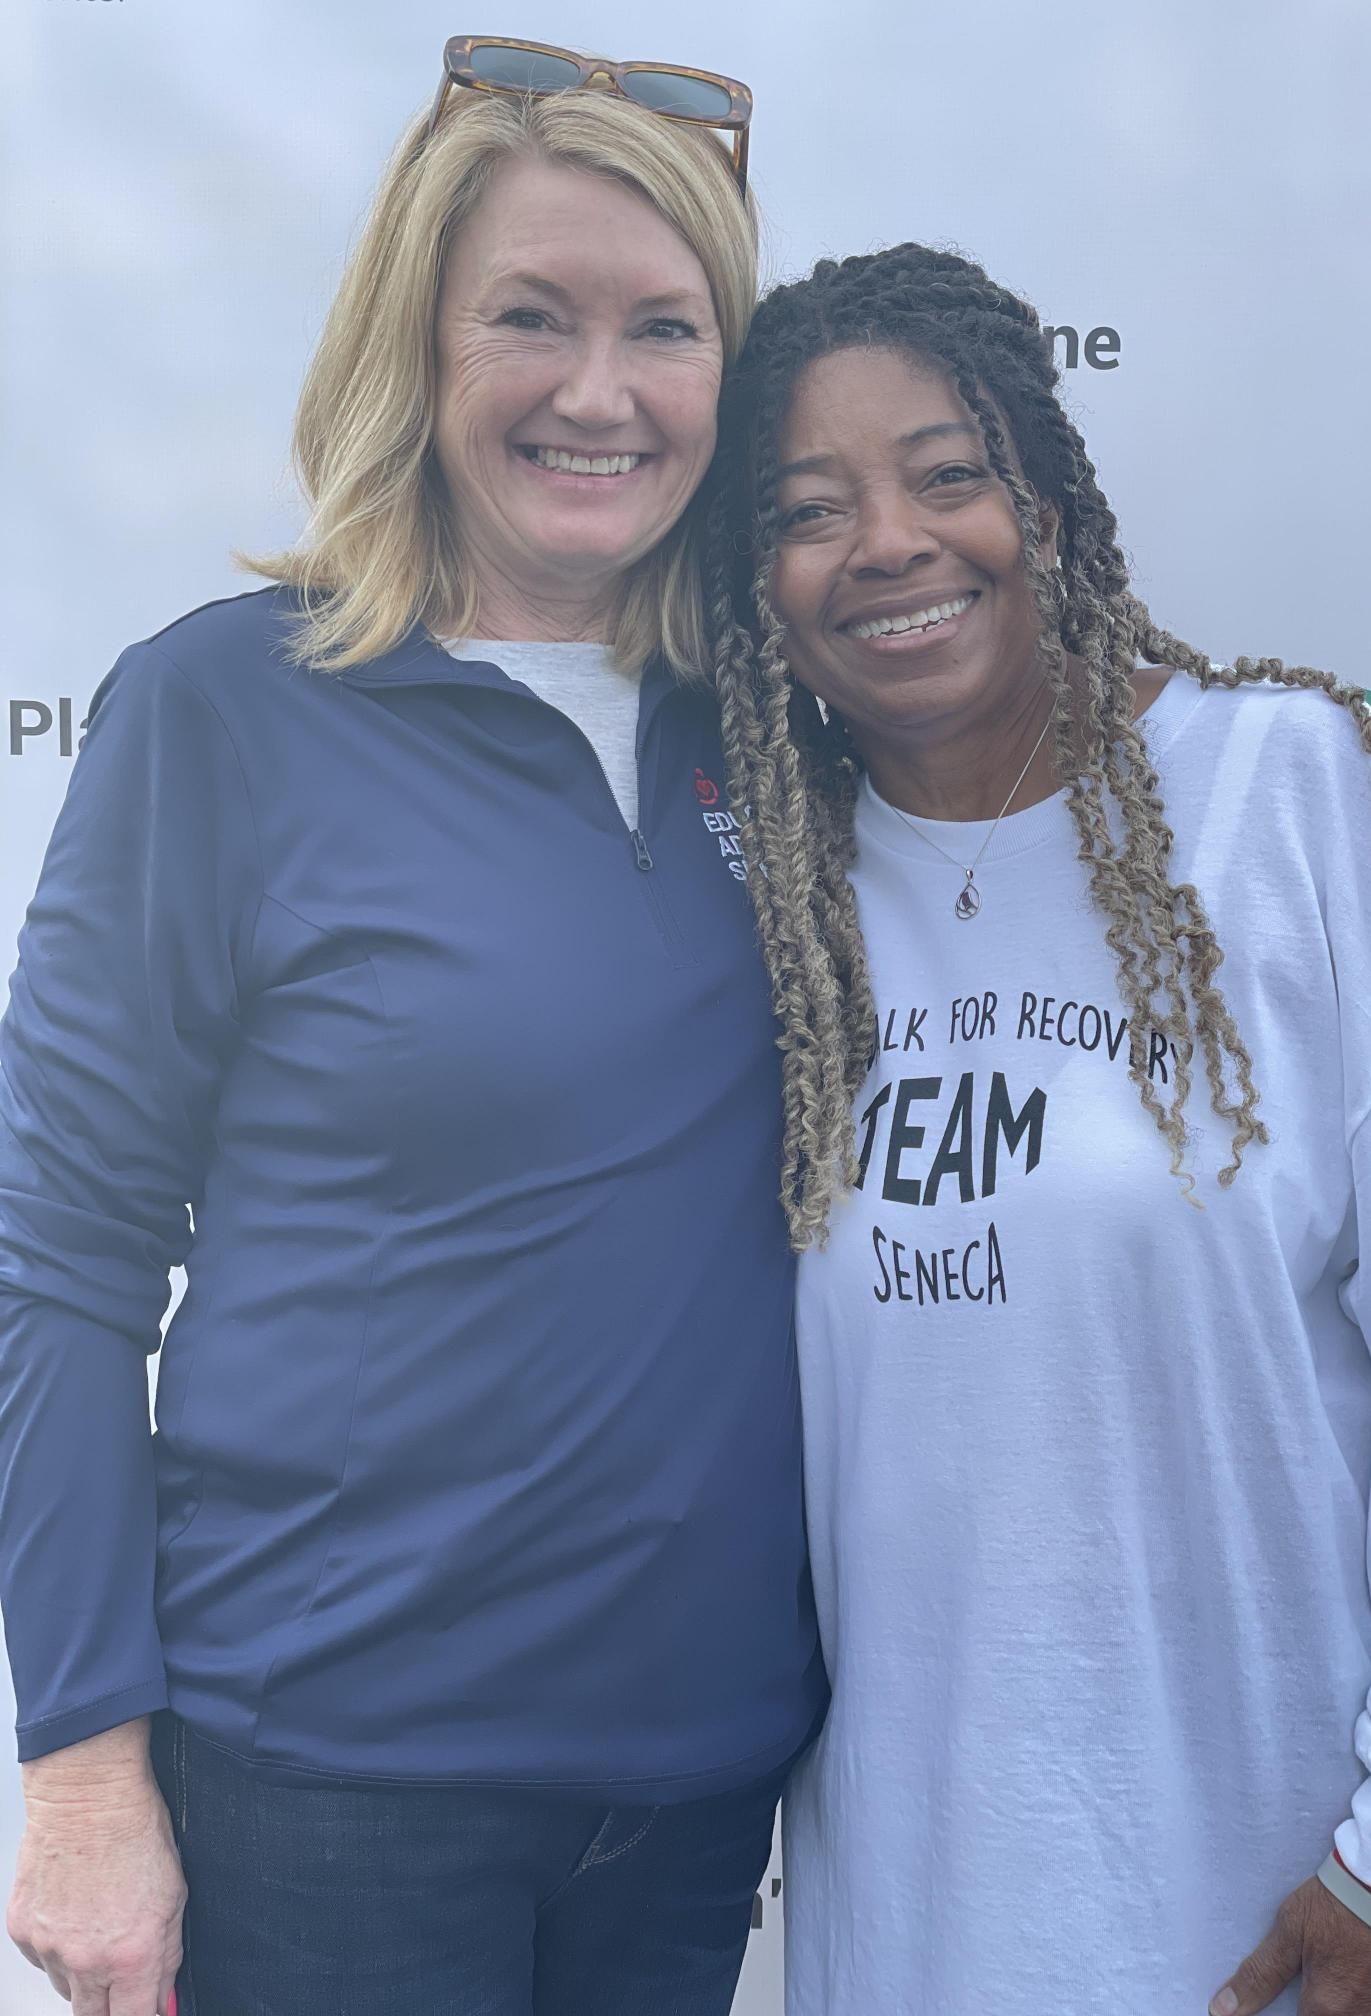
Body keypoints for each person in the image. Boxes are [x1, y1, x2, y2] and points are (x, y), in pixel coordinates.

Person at [0, 41, 825, 2016]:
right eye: (527, 318)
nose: (599, 390)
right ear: (416, 344)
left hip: (707, 1778)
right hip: (333, 1783)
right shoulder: (225, 711)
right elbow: (60, 1257)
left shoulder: (792, 723)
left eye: (665, 326)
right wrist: (86, 1767)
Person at [701, 243, 1371, 2016]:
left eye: (948, 474)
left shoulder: (1310, 801)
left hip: (1303, 1921)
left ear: (1050, 506)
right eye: (809, 508)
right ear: (757, 584)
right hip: (918, 1922)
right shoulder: (770, 909)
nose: (891, 544)